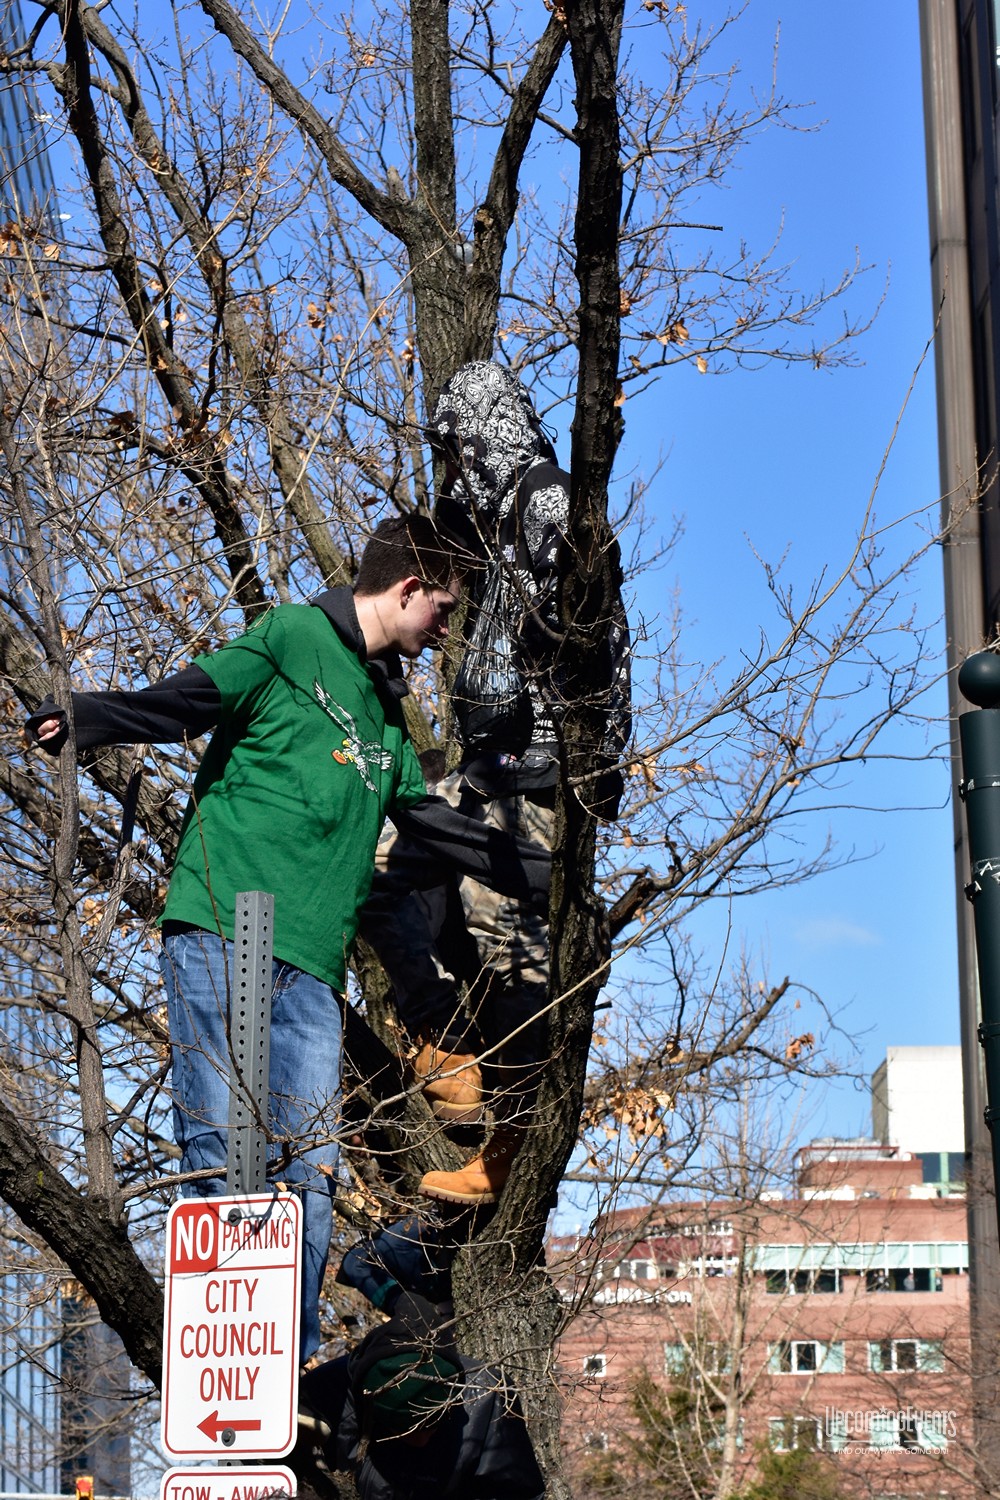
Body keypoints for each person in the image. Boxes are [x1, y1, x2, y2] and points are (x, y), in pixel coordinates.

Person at [26, 515, 550, 1359]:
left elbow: (425, 821)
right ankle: (222, 1350)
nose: (446, 630)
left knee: (306, 1167)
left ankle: (285, 1360)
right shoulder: (293, 634)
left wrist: (545, 877)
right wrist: (89, 717)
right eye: (444, 610)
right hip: (223, 920)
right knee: (221, 1136)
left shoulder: (386, 708)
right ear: (409, 589)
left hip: (312, 961)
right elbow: (193, 698)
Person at [359, 362, 631, 1207]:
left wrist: (548, 650)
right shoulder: (497, 522)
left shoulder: (544, 501)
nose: (451, 474)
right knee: (373, 860)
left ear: (482, 437)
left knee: (510, 942)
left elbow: (594, 621)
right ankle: (447, 1046)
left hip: (540, 772)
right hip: (491, 770)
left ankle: (509, 1142)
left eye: (455, 451)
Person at [296, 1291, 545, 1500]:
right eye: (403, 1430)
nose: (421, 1440)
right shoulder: (329, 1391)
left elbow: (517, 1491)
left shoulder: (485, 1395)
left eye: (432, 1424)